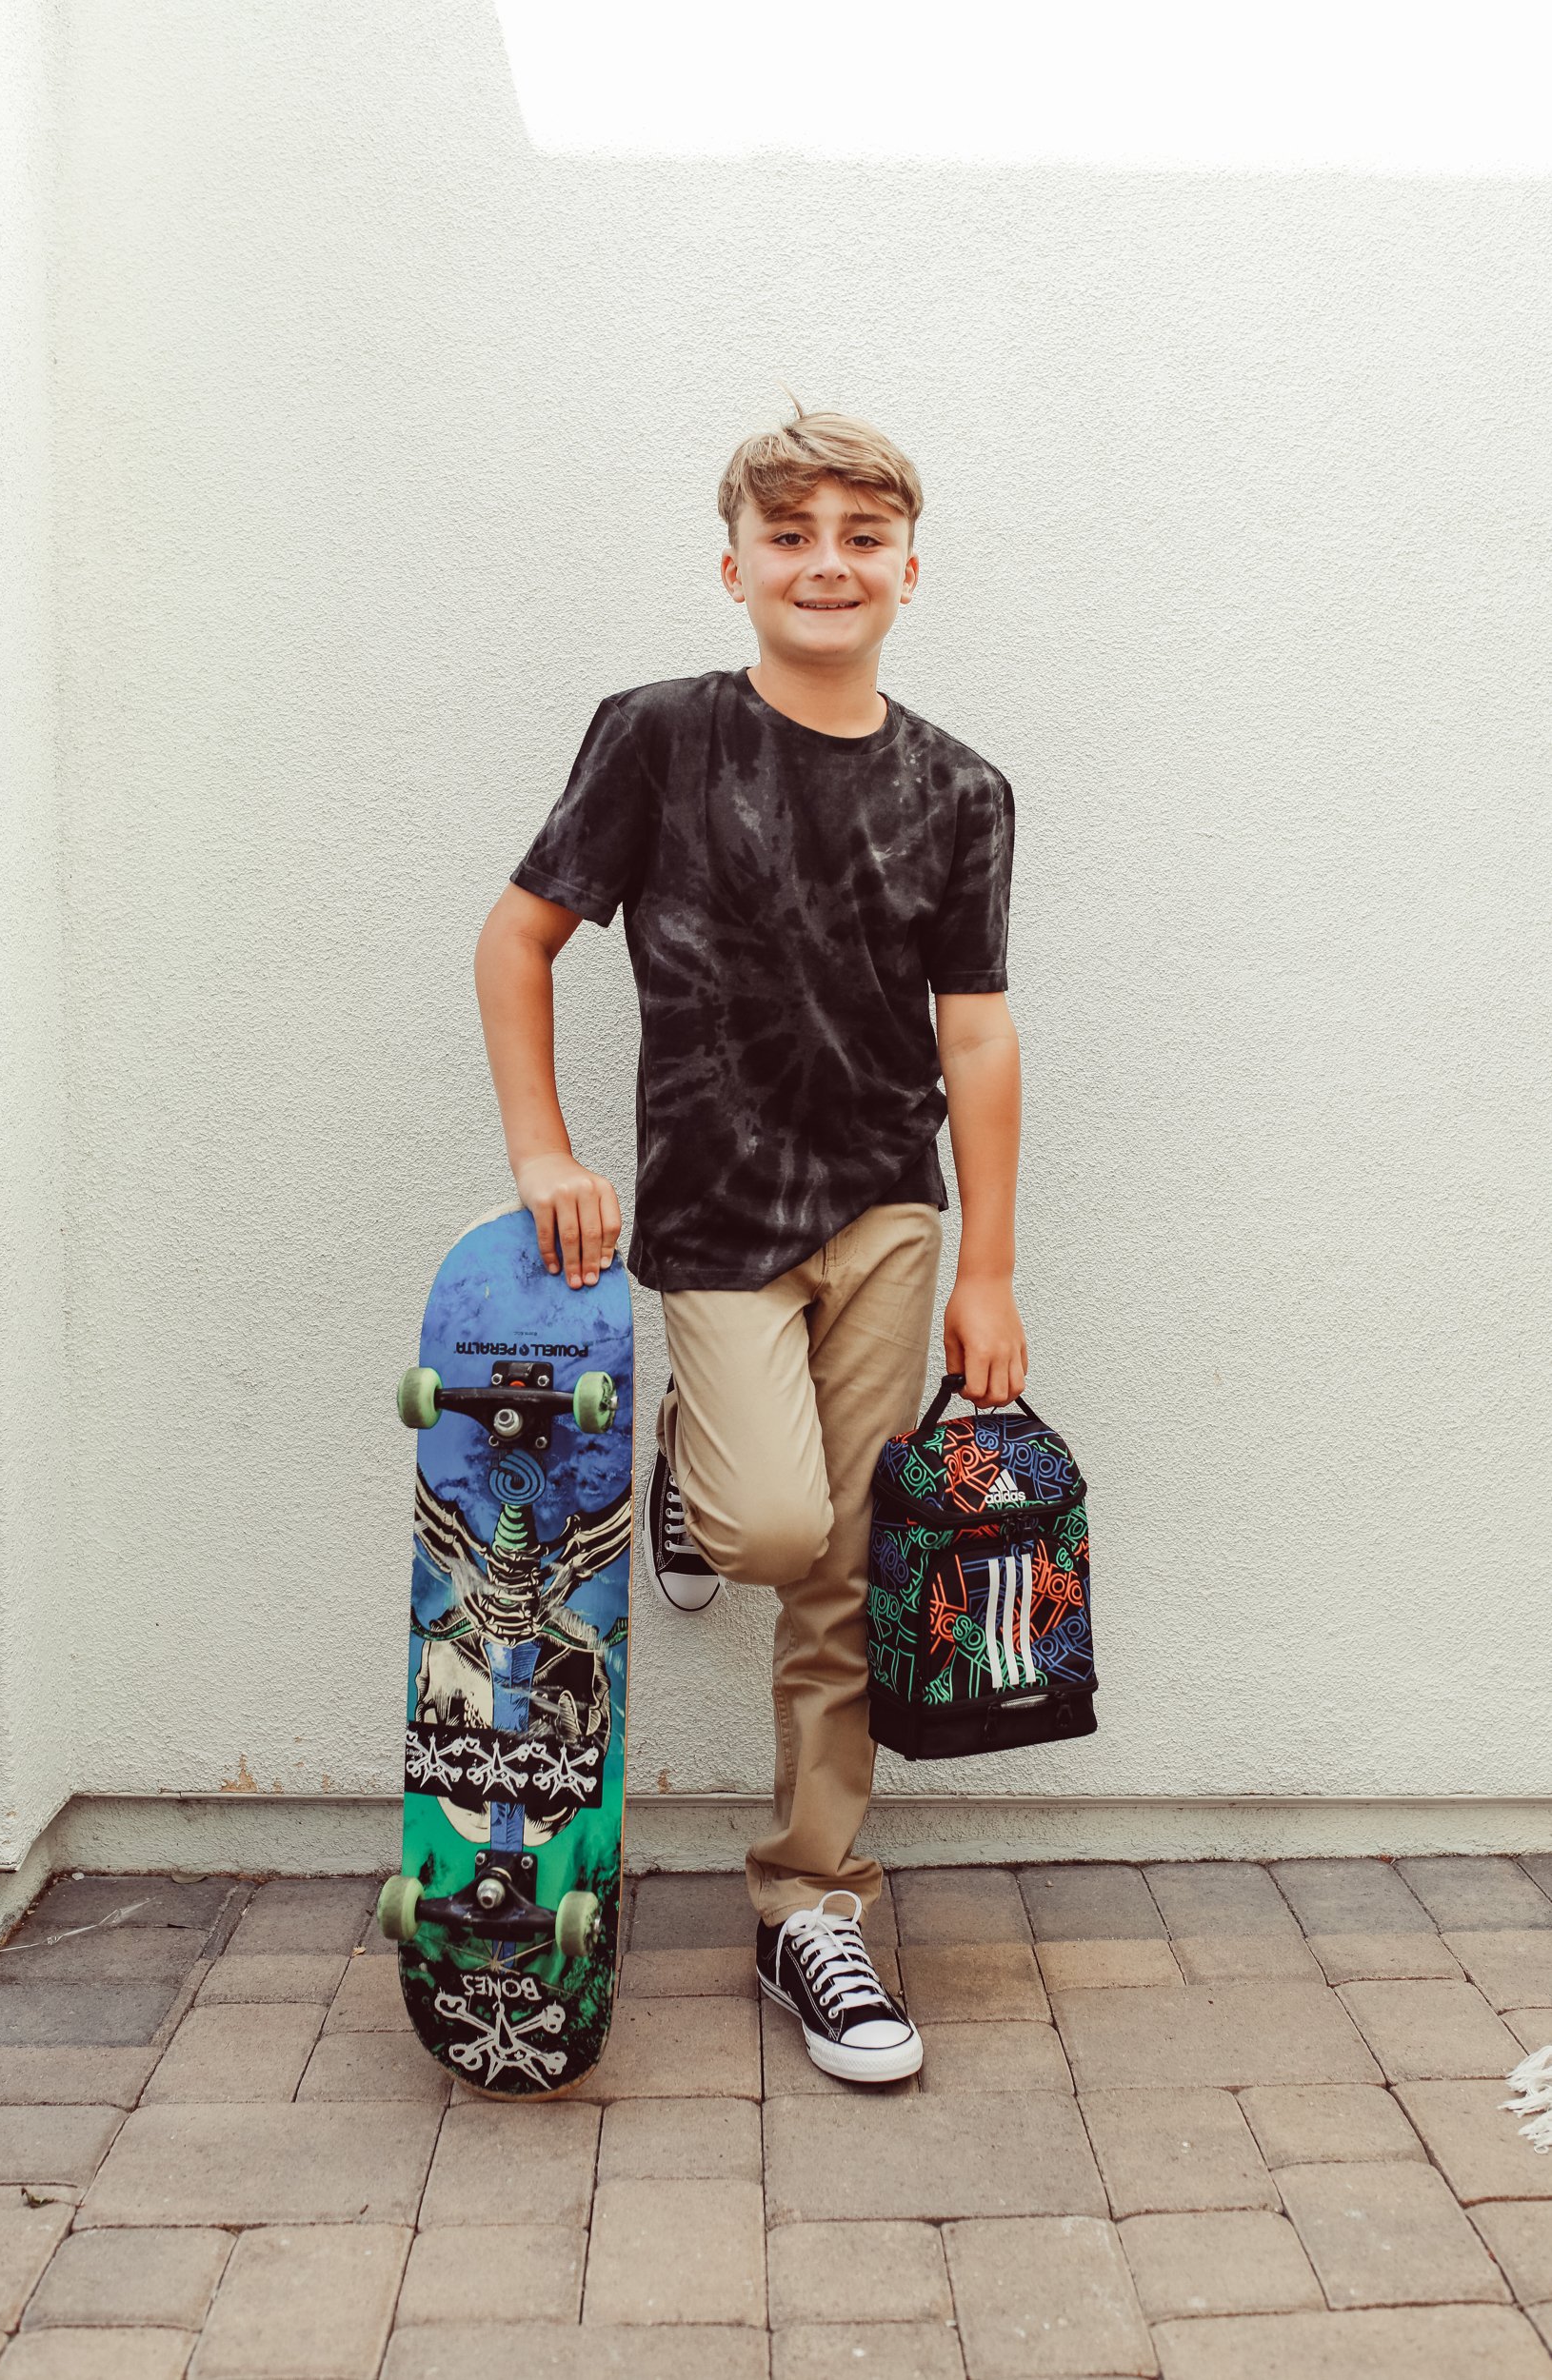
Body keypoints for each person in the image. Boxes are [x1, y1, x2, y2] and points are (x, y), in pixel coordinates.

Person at [474, 404, 1025, 2084]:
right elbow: (518, 939)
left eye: (861, 538)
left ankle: (813, 1904)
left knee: (848, 1576)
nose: (826, 564)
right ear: (736, 568)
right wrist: (545, 1149)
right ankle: (698, 1469)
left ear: (909, 573)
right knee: (776, 1521)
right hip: (714, 1219)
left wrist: (989, 1270)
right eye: (791, 537)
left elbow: (981, 1041)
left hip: (887, 1214)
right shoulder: (656, 738)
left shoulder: (961, 790)